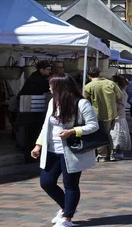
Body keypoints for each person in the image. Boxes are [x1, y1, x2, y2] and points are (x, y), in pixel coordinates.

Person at [31, 74, 99, 227]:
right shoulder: (52, 102)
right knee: (46, 182)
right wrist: (38, 145)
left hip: (72, 152)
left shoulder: (81, 103)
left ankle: (67, 218)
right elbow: (46, 126)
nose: (49, 88)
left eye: (51, 85)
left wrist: (73, 131)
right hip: (52, 150)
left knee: (71, 184)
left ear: (61, 87)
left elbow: (93, 125)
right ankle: (66, 208)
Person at [83, 67, 122, 162]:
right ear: (99, 74)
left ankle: (102, 155)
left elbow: (84, 100)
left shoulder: (88, 86)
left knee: (100, 134)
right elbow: (119, 96)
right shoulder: (111, 83)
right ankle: (113, 153)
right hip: (112, 113)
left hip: (97, 114)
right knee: (112, 134)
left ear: (88, 76)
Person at [110, 75, 130, 161]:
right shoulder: (123, 91)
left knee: (116, 134)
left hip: (117, 115)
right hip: (121, 115)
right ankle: (119, 152)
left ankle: (115, 152)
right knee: (120, 134)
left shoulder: (118, 92)